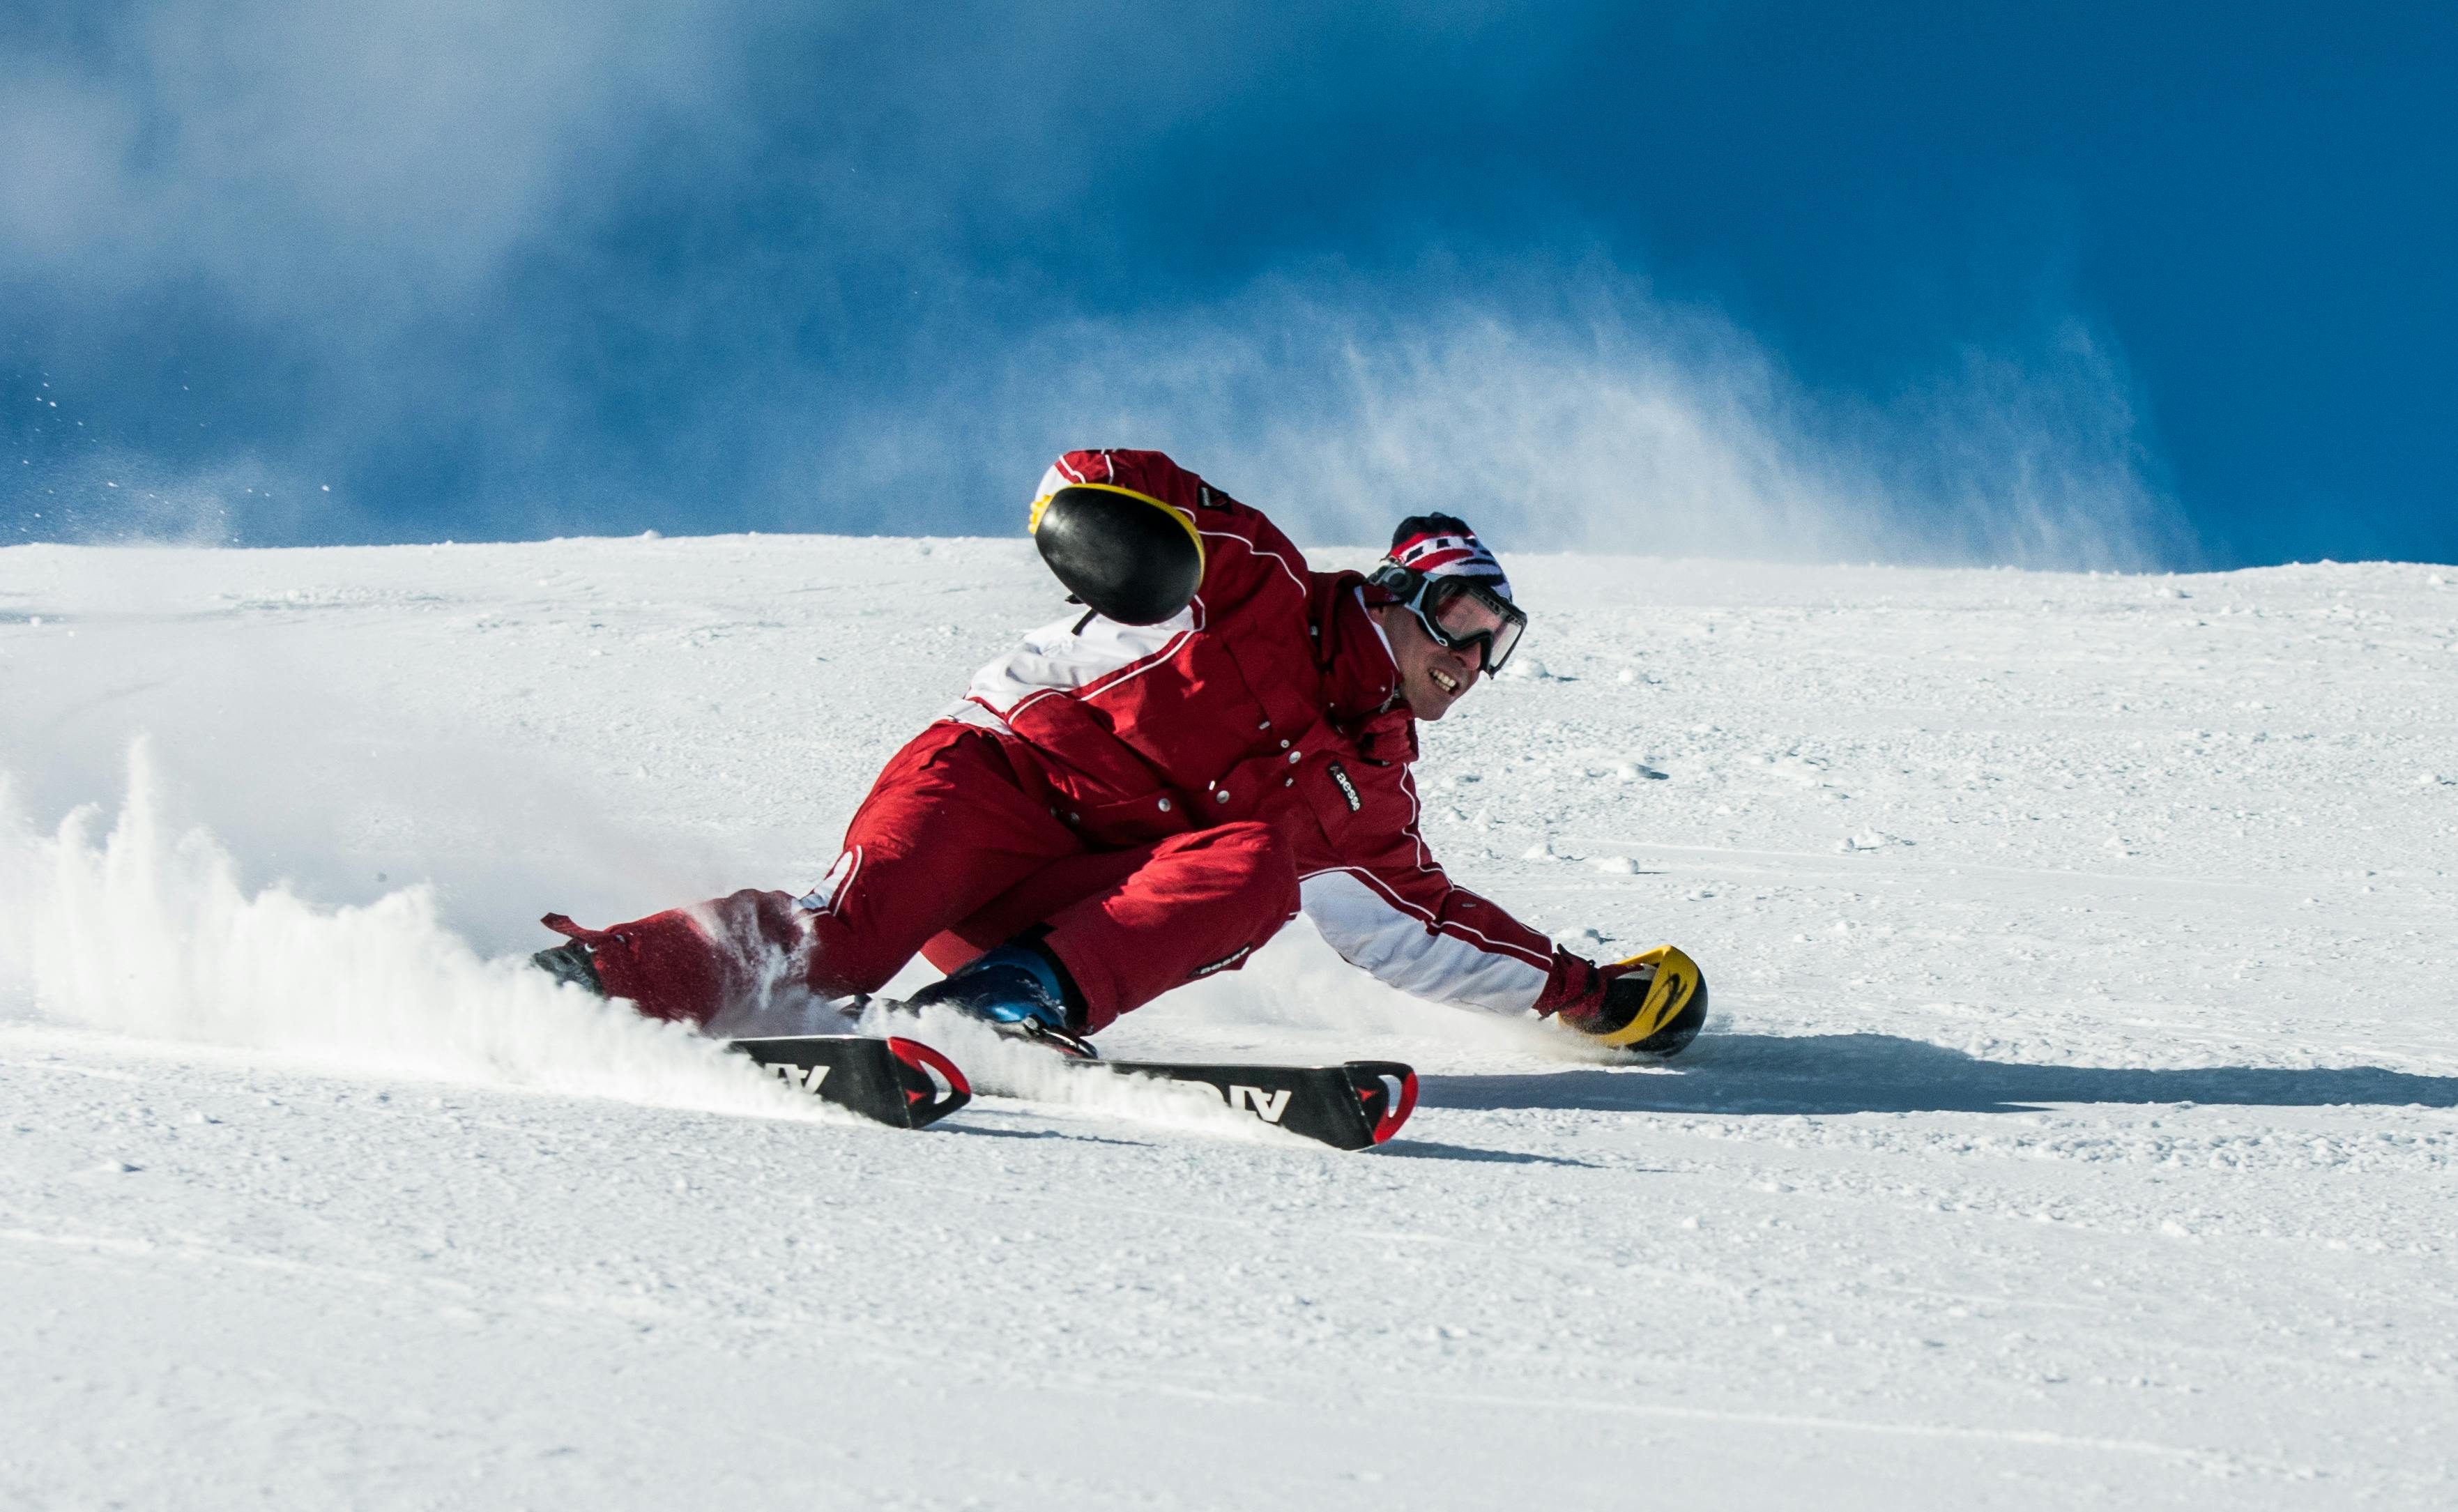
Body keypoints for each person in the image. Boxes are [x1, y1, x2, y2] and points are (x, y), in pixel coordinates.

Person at [533, 448, 1704, 1058]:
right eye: (1463, 623)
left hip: (1058, 914)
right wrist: (1111, 541)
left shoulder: (1370, 793)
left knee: (1255, 868)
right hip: (989, 787)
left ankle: (1003, 1006)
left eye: (1495, 645)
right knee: (843, 941)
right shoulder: (1259, 583)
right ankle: (604, 982)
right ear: (1401, 595)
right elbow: (1100, 475)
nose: (1472, 659)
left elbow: (1427, 930)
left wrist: (1586, 993)